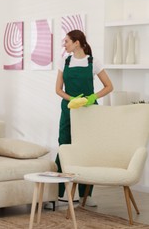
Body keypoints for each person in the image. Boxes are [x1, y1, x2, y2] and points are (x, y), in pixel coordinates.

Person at [55, 29, 113, 207]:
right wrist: (73, 99)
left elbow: (109, 86)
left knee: (87, 151)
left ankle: (86, 195)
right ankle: (61, 192)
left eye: (66, 41)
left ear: (77, 42)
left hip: (89, 113)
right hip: (69, 111)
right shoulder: (64, 62)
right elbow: (58, 90)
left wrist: (91, 98)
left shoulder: (93, 62)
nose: (64, 44)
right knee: (64, 147)